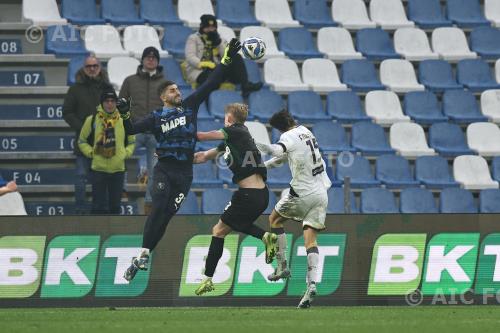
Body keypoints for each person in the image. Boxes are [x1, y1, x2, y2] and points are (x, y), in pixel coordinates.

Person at [120, 39, 245, 282]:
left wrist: (226, 58)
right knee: (158, 208)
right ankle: (144, 253)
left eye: (178, 89)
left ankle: (141, 257)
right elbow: (130, 130)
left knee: (166, 215)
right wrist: (124, 113)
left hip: (185, 174)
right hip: (165, 170)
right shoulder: (156, 118)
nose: (178, 92)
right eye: (172, 90)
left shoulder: (190, 106)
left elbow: (211, 83)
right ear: (163, 97)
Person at [192, 103, 278, 295]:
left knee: (219, 230)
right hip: (257, 195)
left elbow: (204, 136)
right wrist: (178, 158)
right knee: (223, 230)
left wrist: (186, 133)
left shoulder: (237, 131)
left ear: (229, 119)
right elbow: (203, 156)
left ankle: (265, 237)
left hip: (249, 196)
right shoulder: (233, 140)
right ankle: (208, 279)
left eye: (225, 118)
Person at [255, 110, 332, 309]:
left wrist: (253, 143)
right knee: (310, 239)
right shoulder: (306, 132)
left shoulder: (287, 137)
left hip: (302, 192)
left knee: (274, 220)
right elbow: (282, 158)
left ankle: (282, 267)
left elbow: (277, 151)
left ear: (279, 127)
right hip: (321, 192)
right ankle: (311, 285)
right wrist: (263, 166)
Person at [119, 46, 167, 215]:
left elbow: (172, 107)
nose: (151, 59)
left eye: (154, 57)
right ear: (143, 60)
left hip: (156, 133)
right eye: (148, 57)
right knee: (119, 159)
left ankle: (149, 206)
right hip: (135, 130)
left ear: (158, 61)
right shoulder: (130, 81)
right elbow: (121, 104)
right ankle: (121, 192)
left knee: (155, 171)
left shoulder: (165, 83)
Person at [63, 55, 110, 214]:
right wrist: (83, 128)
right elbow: (67, 113)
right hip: (83, 141)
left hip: (103, 140)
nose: (92, 69)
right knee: (81, 178)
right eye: (89, 66)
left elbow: (115, 112)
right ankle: (80, 210)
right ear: (84, 68)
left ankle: (99, 211)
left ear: (99, 68)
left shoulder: (107, 88)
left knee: (102, 178)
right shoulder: (75, 89)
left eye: (95, 66)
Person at [78, 87, 135, 214]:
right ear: (102, 103)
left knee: (115, 207)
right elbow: (82, 141)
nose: (109, 104)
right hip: (98, 170)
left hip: (118, 170)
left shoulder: (124, 119)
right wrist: (91, 152)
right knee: (98, 207)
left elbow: (132, 141)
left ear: (116, 103)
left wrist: (125, 154)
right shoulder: (92, 119)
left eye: (112, 101)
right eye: (106, 101)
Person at [185, 14, 262, 97]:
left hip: (216, 69)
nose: (211, 30)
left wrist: (218, 43)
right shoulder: (193, 38)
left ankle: (245, 85)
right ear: (202, 27)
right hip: (200, 71)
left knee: (236, 56)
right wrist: (203, 64)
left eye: (213, 27)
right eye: (208, 27)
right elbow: (190, 57)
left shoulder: (220, 39)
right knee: (211, 79)